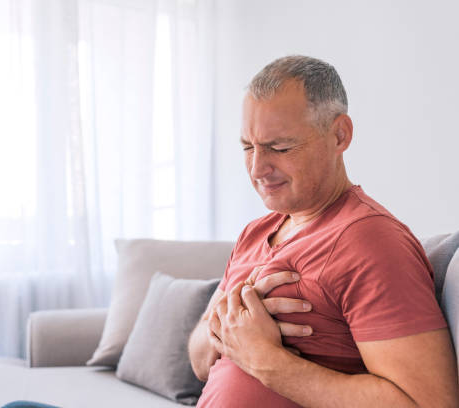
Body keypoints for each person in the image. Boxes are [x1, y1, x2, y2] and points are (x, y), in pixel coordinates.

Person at [188, 55, 459, 407]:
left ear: (339, 135)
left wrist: (266, 361)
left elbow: (429, 403)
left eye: (280, 147)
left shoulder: (370, 242)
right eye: (247, 147)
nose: (257, 168)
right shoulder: (254, 234)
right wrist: (229, 319)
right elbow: (198, 362)